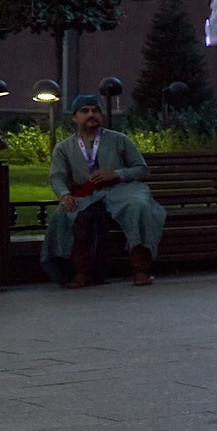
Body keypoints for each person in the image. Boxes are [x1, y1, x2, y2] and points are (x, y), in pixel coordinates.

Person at [42, 94, 166, 288]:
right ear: (74, 117)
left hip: (121, 189)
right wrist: (64, 194)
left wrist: (116, 174)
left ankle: (141, 269)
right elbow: (57, 176)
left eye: (95, 110)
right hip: (87, 193)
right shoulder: (64, 148)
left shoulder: (119, 140)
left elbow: (142, 169)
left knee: (139, 207)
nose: (91, 115)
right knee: (67, 214)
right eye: (85, 111)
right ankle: (82, 272)